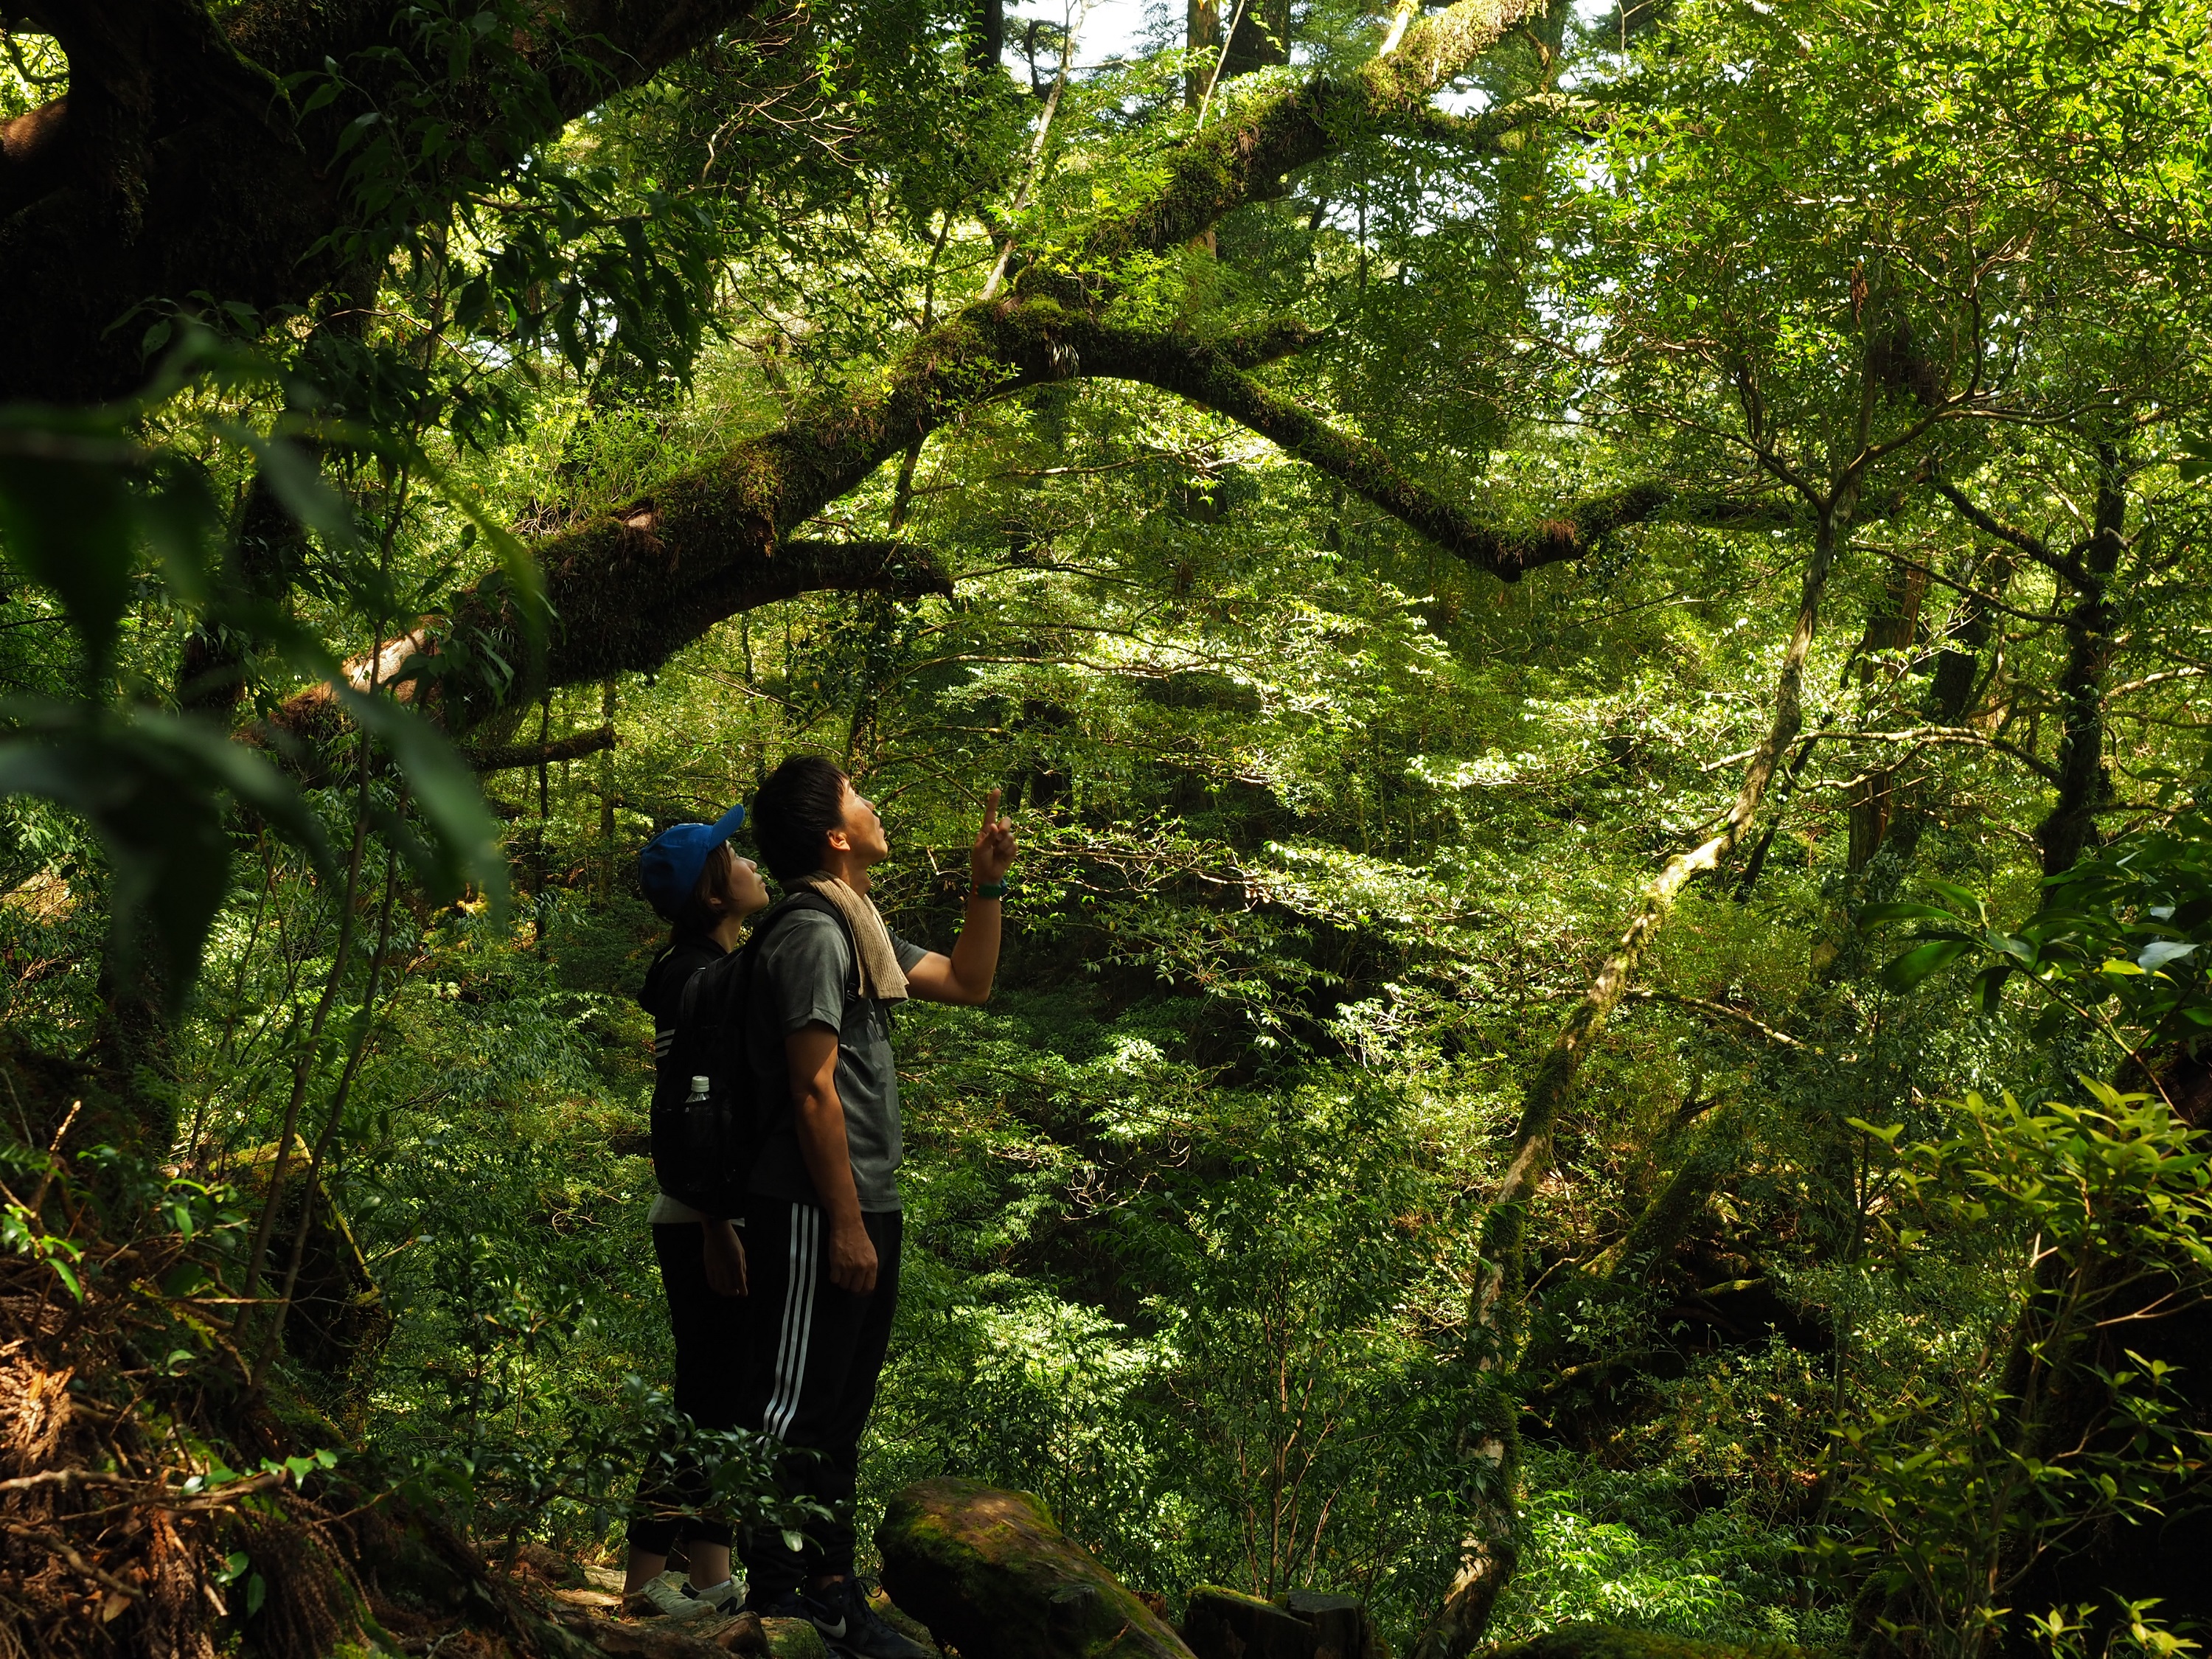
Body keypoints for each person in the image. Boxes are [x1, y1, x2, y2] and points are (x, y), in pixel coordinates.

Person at [736, 757, 1015, 1658]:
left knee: (841, 1410)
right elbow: (812, 1090)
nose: (872, 805)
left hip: (865, 1200)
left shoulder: (861, 927)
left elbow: (970, 982)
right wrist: (846, 1222)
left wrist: (986, 883)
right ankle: (778, 1599)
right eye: (858, 795)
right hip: (818, 1206)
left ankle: (831, 1590)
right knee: (797, 1409)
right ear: (831, 834)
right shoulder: (813, 935)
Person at [622, 805, 771, 1620]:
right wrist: (717, 1221)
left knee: (720, 1400)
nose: (746, 860)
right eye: (731, 855)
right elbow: (687, 1112)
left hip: (710, 1210)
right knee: (707, 1404)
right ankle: (643, 1589)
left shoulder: (708, 969)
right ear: (714, 896)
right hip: (705, 1218)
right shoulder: (698, 978)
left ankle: (708, 1579)